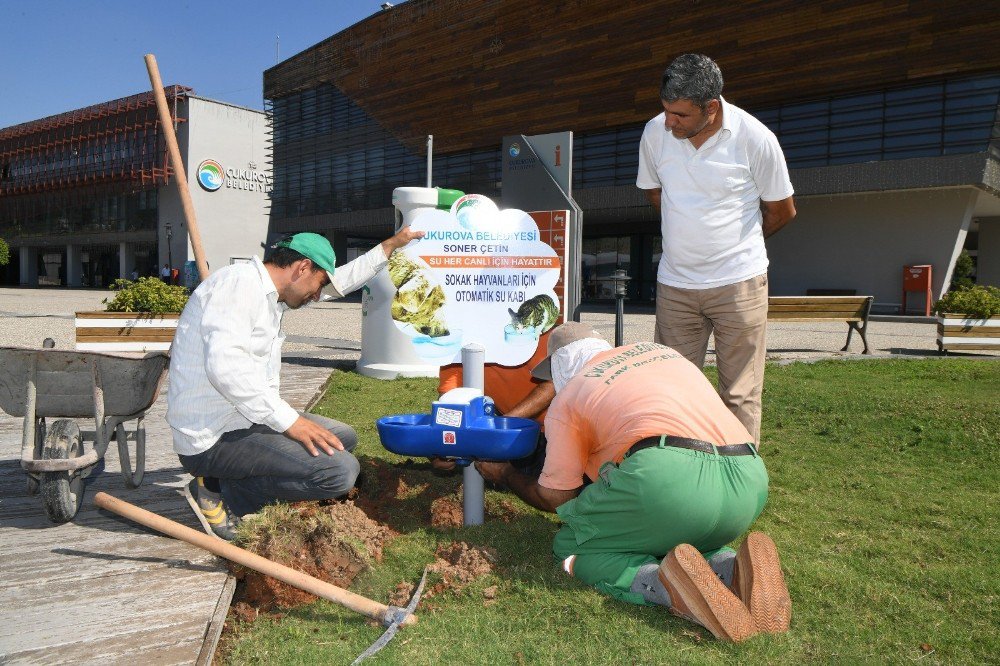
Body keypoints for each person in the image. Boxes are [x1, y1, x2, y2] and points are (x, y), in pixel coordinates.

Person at [475, 322, 791, 642]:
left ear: (561, 366)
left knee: (573, 548)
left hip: (664, 478)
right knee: (669, 527)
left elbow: (556, 497)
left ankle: (665, 584)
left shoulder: (570, 396)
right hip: (748, 477)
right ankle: (730, 567)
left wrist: (503, 474)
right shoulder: (662, 354)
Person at [168, 229, 422, 540]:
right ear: (302, 268)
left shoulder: (274, 295)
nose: (318, 295)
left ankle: (230, 480)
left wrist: (390, 245)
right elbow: (226, 370)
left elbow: (341, 281)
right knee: (339, 472)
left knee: (342, 437)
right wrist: (291, 423)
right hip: (211, 437)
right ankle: (221, 490)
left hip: (243, 420)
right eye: (318, 285)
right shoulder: (237, 287)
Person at [636, 54, 796, 444]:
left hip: (738, 285)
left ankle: (738, 483)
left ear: (711, 107)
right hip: (676, 286)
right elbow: (656, 194)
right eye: (666, 111)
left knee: (739, 394)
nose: (669, 122)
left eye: (680, 115)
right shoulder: (655, 133)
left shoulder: (756, 139)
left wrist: (735, 246)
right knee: (672, 388)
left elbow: (782, 210)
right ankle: (680, 472)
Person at [434, 332, 555, 476]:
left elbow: (553, 383)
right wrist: (441, 446)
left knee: (548, 489)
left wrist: (500, 427)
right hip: (515, 431)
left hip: (559, 427)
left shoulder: (534, 334)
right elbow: (448, 401)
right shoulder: (456, 347)